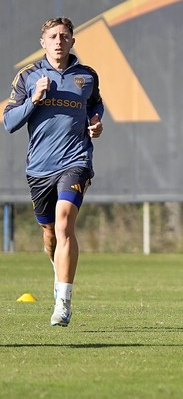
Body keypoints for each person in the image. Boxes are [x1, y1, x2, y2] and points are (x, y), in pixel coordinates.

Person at [4, 17, 104, 327]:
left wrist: (96, 123)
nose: (59, 41)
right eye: (52, 36)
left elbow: (96, 106)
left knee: (64, 222)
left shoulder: (87, 76)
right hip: (39, 167)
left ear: (72, 41)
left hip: (76, 161)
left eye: (64, 36)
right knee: (50, 233)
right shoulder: (29, 76)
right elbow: (9, 122)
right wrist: (34, 100)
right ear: (43, 42)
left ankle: (63, 301)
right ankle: (57, 271)